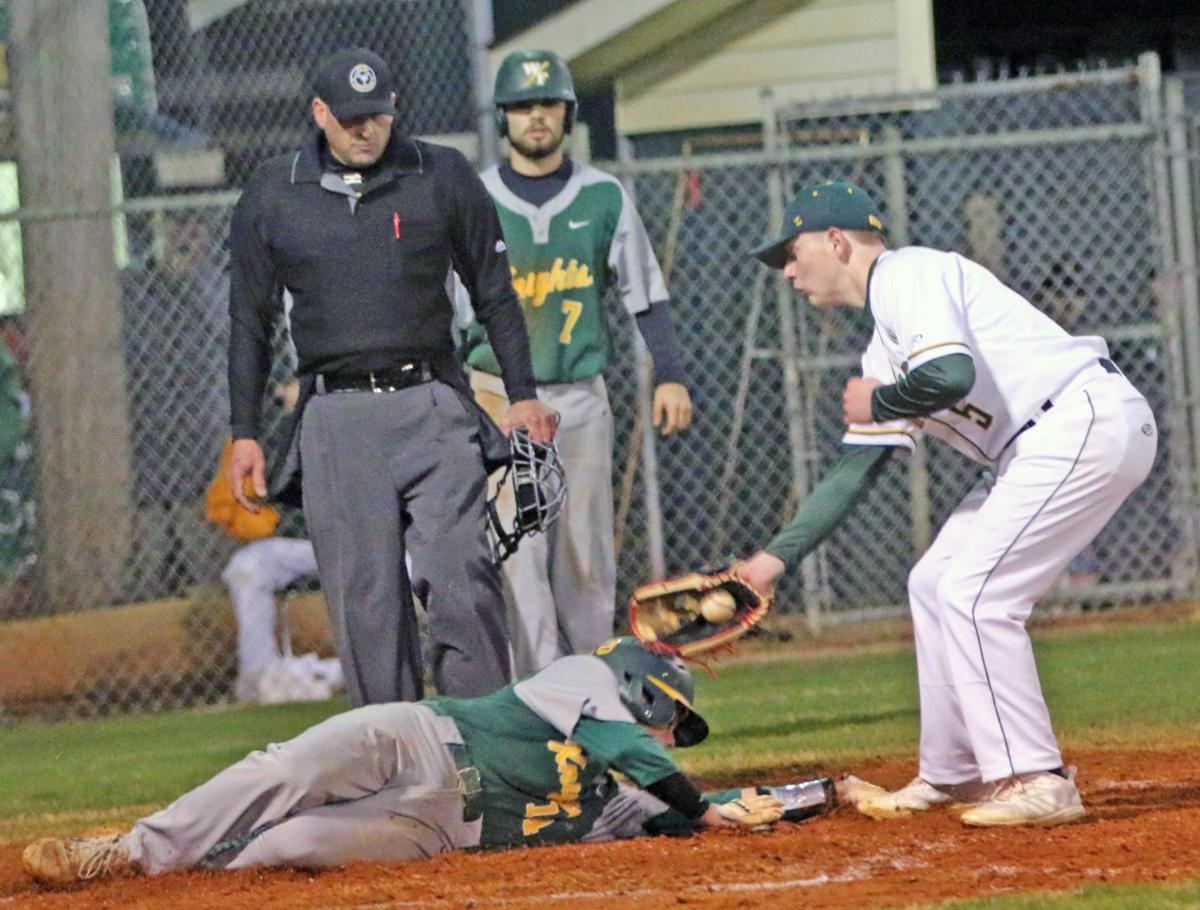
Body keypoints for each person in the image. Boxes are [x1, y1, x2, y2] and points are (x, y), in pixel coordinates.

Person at [735, 181, 1157, 826]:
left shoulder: (909, 274)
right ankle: (952, 772)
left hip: (1079, 420)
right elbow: (856, 469)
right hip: (1037, 443)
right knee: (933, 583)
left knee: (977, 592)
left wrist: (879, 401)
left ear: (837, 241)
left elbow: (950, 376)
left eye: (793, 253)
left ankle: (1037, 777)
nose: (788, 272)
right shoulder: (884, 339)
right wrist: (769, 562)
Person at [225, 47, 557, 706]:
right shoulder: (273, 190)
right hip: (334, 414)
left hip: (433, 400)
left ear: (393, 109)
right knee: (368, 607)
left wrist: (522, 393)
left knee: (463, 579)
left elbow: (495, 291)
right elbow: (249, 322)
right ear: (319, 114)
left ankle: (487, 746)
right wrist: (245, 431)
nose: (364, 130)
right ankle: (397, 764)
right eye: (348, 119)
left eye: (375, 115)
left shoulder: (441, 173)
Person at [21, 638, 820, 886]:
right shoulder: (586, 680)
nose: (675, 734)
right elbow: (639, 756)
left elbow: (716, 805)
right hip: (422, 736)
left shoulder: (620, 802)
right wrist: (703, 807)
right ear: (646, 692)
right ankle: (129, 851)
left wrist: (829, 792)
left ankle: (189, 885)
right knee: (286, 770)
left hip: (439, 828)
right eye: (676, 716)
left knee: (289, 850)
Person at [461, 50, 693, 675]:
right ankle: (537, 699)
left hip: (579, 400)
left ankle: (591, 690)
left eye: (548, 105)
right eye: (522, 106)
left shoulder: (602, 196)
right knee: (516, 555)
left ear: (567, 114)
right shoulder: (475, 199)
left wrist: (669, 371)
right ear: (503, 118)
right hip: (498, 397)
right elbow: (449, 313)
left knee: (586, 558)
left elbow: (646, 294)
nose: (536, 117)